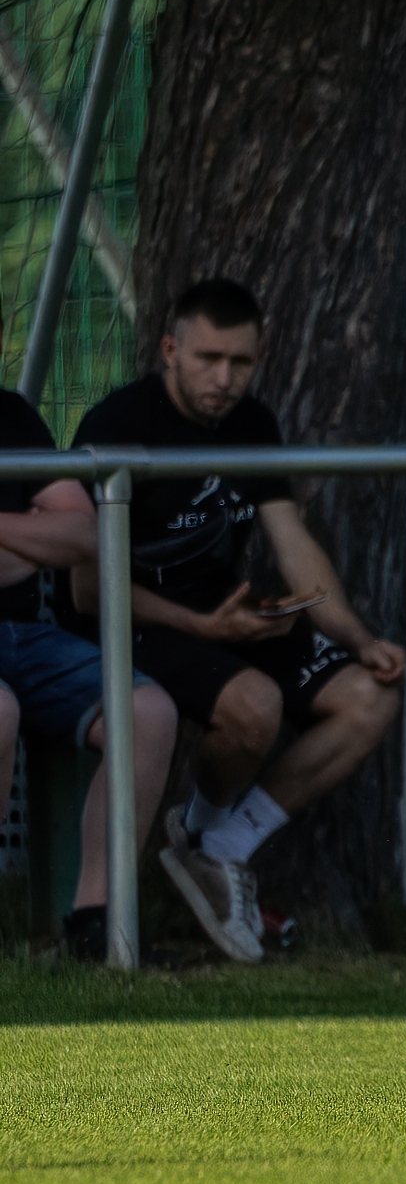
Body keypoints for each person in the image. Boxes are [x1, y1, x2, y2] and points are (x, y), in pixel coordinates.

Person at [71, 279, 406, 958]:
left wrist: (358, 637)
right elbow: (86, 591)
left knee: (371, 696)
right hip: (140, 624)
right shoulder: (115, 425)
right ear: (170, 350)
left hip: (226, 618)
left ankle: (216, 844)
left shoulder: (253, 422)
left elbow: (293, 544)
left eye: (241, 362)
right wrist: (204, 628)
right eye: (209, 359)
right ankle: (184, 860)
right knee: (255, 705)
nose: (225, 379)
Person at [0, 379, 180, 960]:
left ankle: (95, 925)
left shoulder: (11, 416)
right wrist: (30, 534)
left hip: (26, 635)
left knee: (148, 713)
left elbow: (84, 532)